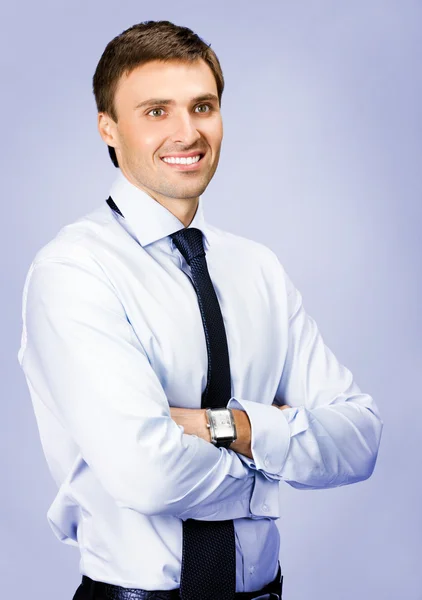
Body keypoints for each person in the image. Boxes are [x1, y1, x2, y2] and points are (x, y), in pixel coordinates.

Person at [17, 20, 383, 600]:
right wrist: (274, 459)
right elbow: (149, 474)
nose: (187, 133)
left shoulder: (257, 268)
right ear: (108, 128)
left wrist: (222, 425)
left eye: (203, 106)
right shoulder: (75, 269)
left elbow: (359, 438)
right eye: (156, 111)